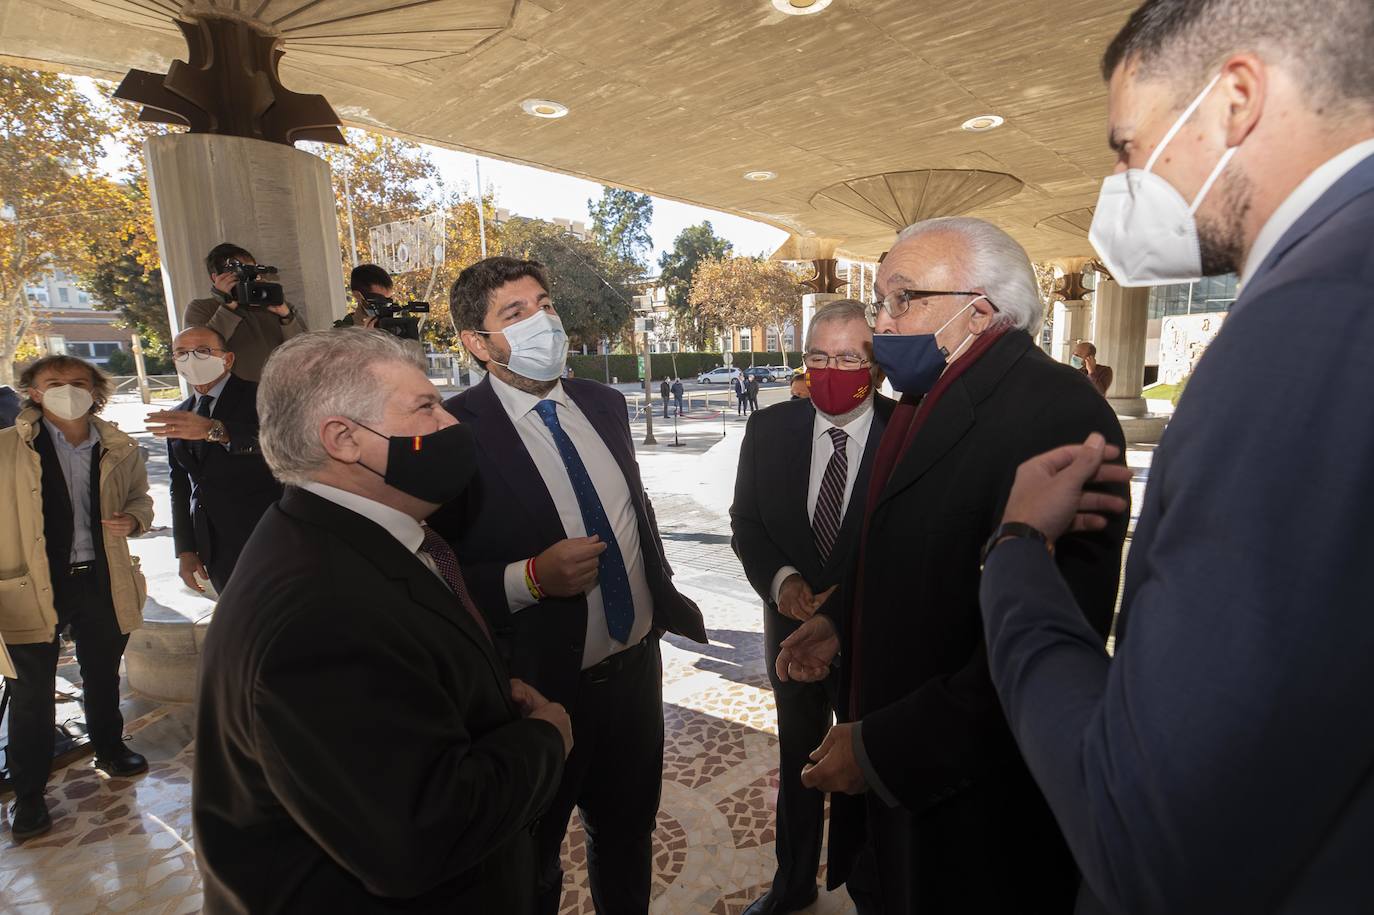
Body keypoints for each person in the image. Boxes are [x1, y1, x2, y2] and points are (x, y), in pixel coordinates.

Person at [980, 2, 1374, 912]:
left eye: (1128, 147)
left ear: (1236, 99)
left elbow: (1142, 830)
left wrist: (1016, 553)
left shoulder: (1304, 325)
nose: (1122, 184)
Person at [776, 218, 1129, 913]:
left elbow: (1034, 654)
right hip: (902, 793)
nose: (880, 324)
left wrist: (881, 749)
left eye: (902, 298)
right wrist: (841, 622)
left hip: (973, 806)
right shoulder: (925, 398)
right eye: (880, 299)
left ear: (981, 310)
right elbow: (914, 552)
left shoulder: (1059, 412)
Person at [193, 329, 570, 913]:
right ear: (344, 439)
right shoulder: (320, 614)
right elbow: (418, 835)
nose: (451, 423)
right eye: (426, 407)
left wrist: (481, 698)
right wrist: (545, 739)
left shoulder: (332, 535)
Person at [431, 256, 707, 914]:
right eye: (515, 313)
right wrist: (530, 578)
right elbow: (435, 581)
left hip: (635, 674)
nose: (543, 321)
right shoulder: (451, 433)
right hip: (535, 692)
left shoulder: (604, 404)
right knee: (530, 860)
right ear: (478, 342)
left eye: (545, 304)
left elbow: (634, 513)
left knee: (627, 834)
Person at [730, 300, 894, 915]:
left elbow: (915, 546)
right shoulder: (768, 430)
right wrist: (783, 583)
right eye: (818, 357)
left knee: (871, 765)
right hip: (790, 638)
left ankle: (868, 886)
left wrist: (841, 605)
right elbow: (747, 523)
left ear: (876, 367)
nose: (830, 371)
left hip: (873, 640)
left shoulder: (910, 433)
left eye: (849, 358)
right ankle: (793, 883)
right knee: (797, 760)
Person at [0, 355, 153, 842]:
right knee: (31, 692)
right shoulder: (7, 448)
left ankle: (110, 748)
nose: (67, 389)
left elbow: (141, 498)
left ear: (95, 390)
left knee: (103, 673)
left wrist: (134, 519)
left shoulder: (118, 446)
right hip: (30, 585)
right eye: (54, 383)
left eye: (78, 382)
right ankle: (29, 794)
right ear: (34, 392)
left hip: (101, 578)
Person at [147, 326, 282, 594]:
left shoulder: (264, 396)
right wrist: (185, 549)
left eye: (202, 351)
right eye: (182, 353)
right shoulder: (180, 414)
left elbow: (284, 444)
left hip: (270, 537)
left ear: (227, 359)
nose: (191, 359)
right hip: (215, 549)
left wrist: (216, 430)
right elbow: (180, 485)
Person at [183, 242, 305, 382]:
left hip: (278, 389)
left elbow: (303, 351)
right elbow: (200, 355)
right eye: (239, 275)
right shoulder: (201, 308)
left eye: (252, 273)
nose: (247, 280)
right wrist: (228, 306)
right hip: (232, 392)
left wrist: (286, 316)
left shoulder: (274, 305)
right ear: (216, 278)